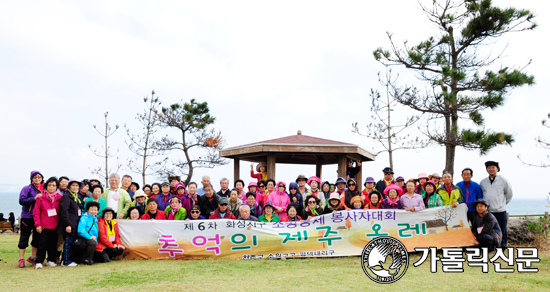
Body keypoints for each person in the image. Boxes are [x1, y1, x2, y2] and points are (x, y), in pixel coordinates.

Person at [480, 161, 513, 249]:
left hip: (500, 210)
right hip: (488, 211)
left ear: (497, 169)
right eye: (489, 168)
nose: (491, 169)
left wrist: (502, 204)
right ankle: (491, 245)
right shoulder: (483, 182)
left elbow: (509, 194)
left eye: (493, 167)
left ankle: (503, 245)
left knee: (502, 229)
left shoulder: (503, 180)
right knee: (488, 229)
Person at [33, 177, 63, 269]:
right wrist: (38, 224)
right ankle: (39, 261)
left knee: (53, 243)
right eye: (49, 185)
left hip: (55, 225)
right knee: (42, 243)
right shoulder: (41, 198)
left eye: (54, 185)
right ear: (46, 186)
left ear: (56, 187)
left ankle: (51, 260)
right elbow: (36, 212)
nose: (51, 187)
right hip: (44, 225)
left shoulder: (60, 198)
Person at [17, 170, 44, 268]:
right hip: (27, 217)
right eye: (35, 177)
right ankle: (21, 258)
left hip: (39, 218)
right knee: (24, 238)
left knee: (37, 238)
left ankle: (33, 257)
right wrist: (34, 198)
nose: (37, 179)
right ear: (31, 179)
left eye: (39, 177)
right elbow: (21, 200)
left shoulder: (44, 189)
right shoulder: (26, 188)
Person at [58, 178, 82, 267]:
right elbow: (64, 211)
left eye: (77, 185)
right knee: (67, 242)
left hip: (75, 223)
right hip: (69, 224)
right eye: (73, 185)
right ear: (69, 186)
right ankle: (66, 261)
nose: (75, 187)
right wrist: (67, 224)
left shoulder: (76, 196)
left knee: (71, 242)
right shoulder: (66, 196)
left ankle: (66, 259)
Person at [77, 201, 99, 265]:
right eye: (92, 209)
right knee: (92, 242)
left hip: (92, 239)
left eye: (95, 210)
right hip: (84, 239)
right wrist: (89, 237)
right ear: (88, 209)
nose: (93, 211)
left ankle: (90, 258)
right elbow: (81, 230)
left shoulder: (95, 218)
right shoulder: (84, 217)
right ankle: (87, 260)